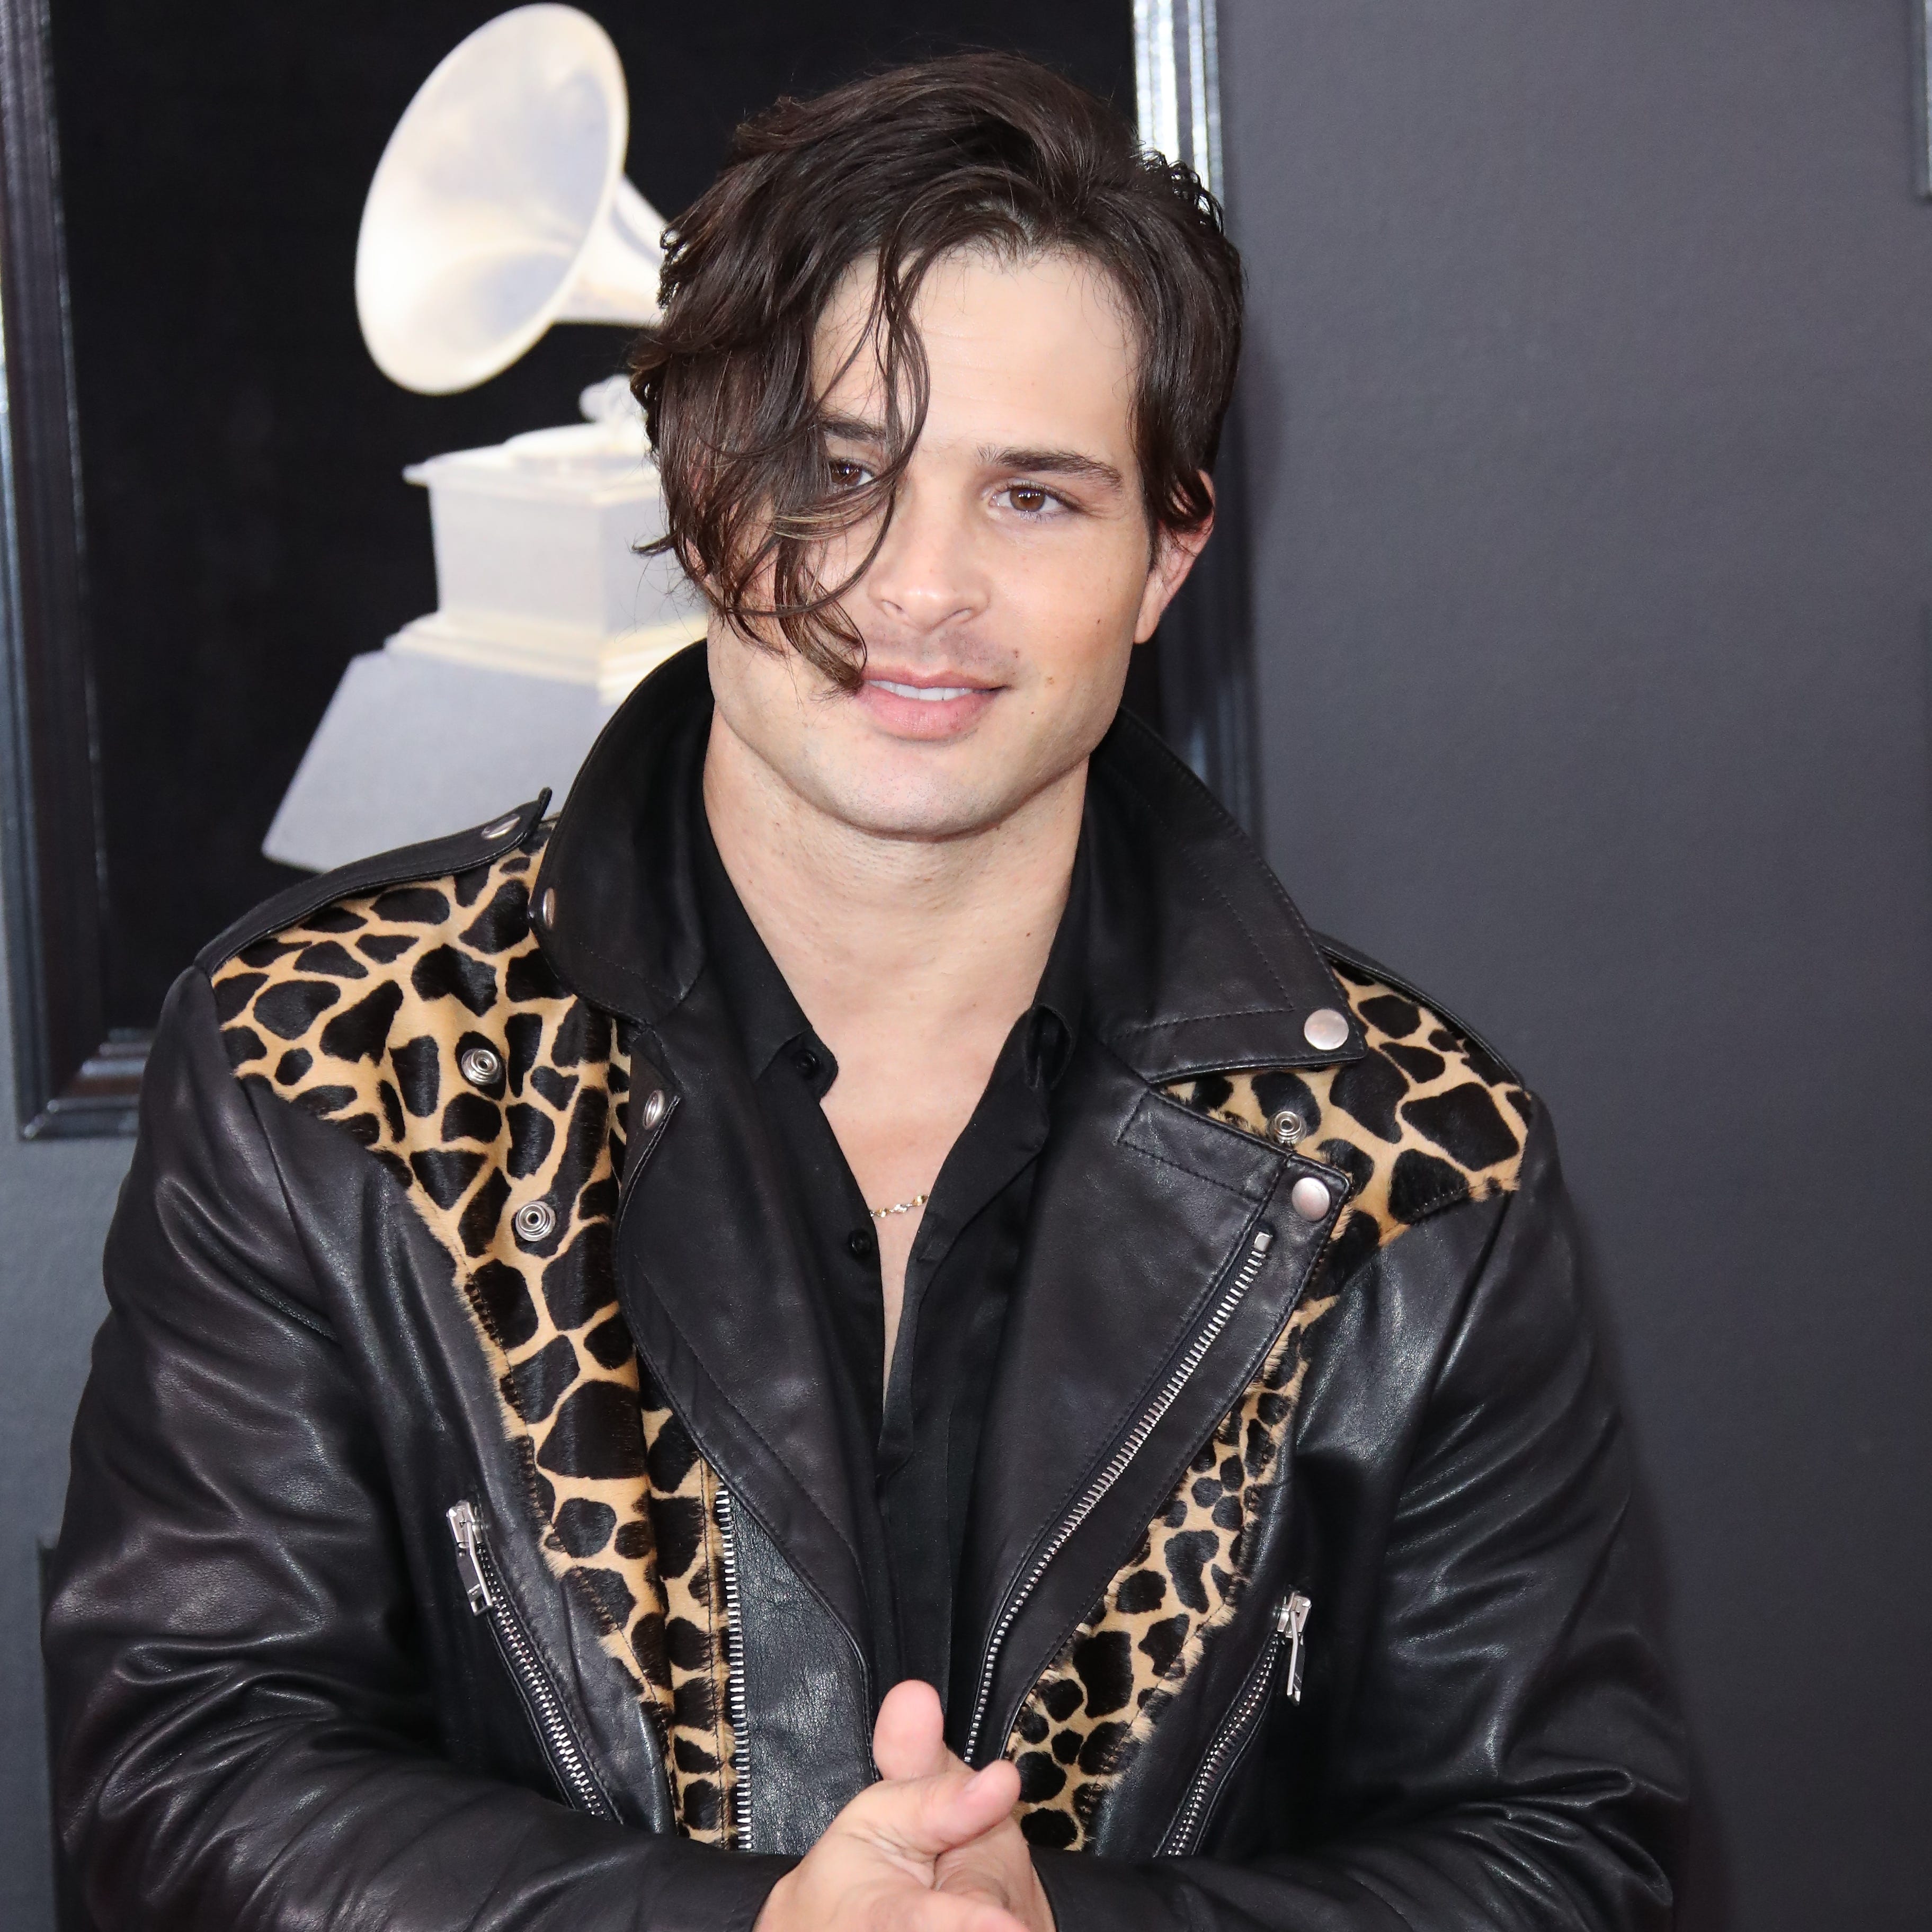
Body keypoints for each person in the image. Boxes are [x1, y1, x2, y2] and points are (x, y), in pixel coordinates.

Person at [43, 51, 1685, 1932]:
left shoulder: (1424, 1162)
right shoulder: (318, 1055)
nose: (922, 588)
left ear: (1171, 554)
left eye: (1038, 500)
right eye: (842, 472)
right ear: (699, 485)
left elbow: (1568, 1862)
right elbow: (180, 1773)